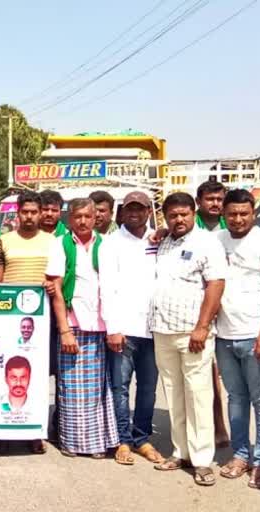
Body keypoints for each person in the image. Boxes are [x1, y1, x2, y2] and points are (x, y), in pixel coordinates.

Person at [150, 192, 226, 487]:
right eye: (173, 215)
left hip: (193, 333)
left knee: (198, 395)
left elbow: (216, 284)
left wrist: (202, 327)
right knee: (173, 393)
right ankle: (180, 452)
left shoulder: (207, 243)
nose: (178, 219)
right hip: (163, 330)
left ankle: (203, 460)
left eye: (183, 214)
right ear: (165, 217)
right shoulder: (164, 241)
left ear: (193, 213)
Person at [214, 189, 260, 489]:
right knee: (236, 399)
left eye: (244, 213)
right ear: (224, 214)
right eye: (232, 214)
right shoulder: (216, 240)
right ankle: (241, 455)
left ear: (253, 213)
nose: (238, 219)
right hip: (225, 335)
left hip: (256, 335)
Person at [45, 198, 119, 459]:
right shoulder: (60, 245)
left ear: (95, 217)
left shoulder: (106, 245)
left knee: (97, 388)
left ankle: (97, 442)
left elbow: (111, 286)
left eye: (88, 216)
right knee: (72, 389)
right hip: (73, 324)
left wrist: (114, 327)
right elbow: (56, 288)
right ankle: (72, 443)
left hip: (100, 325)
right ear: (70, 219)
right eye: (78, 217)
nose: (84, 221)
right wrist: (64, 330)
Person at [99, 192, 164, 466]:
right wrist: (113, 328)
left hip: (155, 328)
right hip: (124, 328)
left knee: (148, 388)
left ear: (149, 211)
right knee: (120, 387)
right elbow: (107, 287)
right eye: (130, 209)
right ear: (122, 213)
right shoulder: (110, 244)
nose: (135, 213)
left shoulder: (160, 241)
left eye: (140, 208)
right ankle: (123, 439)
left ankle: (142, 438)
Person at [0, 190, 54, 454]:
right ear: (17, 213)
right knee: (6, 372)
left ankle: (34, 430)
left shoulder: (53, 242)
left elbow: (56, 277)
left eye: (34, 212)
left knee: (37, 375)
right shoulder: (3, 241)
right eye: (24, 212)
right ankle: (0, 427)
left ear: (41, 214)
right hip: (10, 317)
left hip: (43, 317)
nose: (29, 217)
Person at [193, 180, 231, 448]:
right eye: (210, 199)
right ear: (199, 201)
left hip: (229, 309)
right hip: (197, 310)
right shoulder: (185, 225)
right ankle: (210, 427)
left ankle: (223, 425)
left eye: (219, 199)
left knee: (223, 374)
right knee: (203, 373)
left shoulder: (233, 226)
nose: (215, 204)